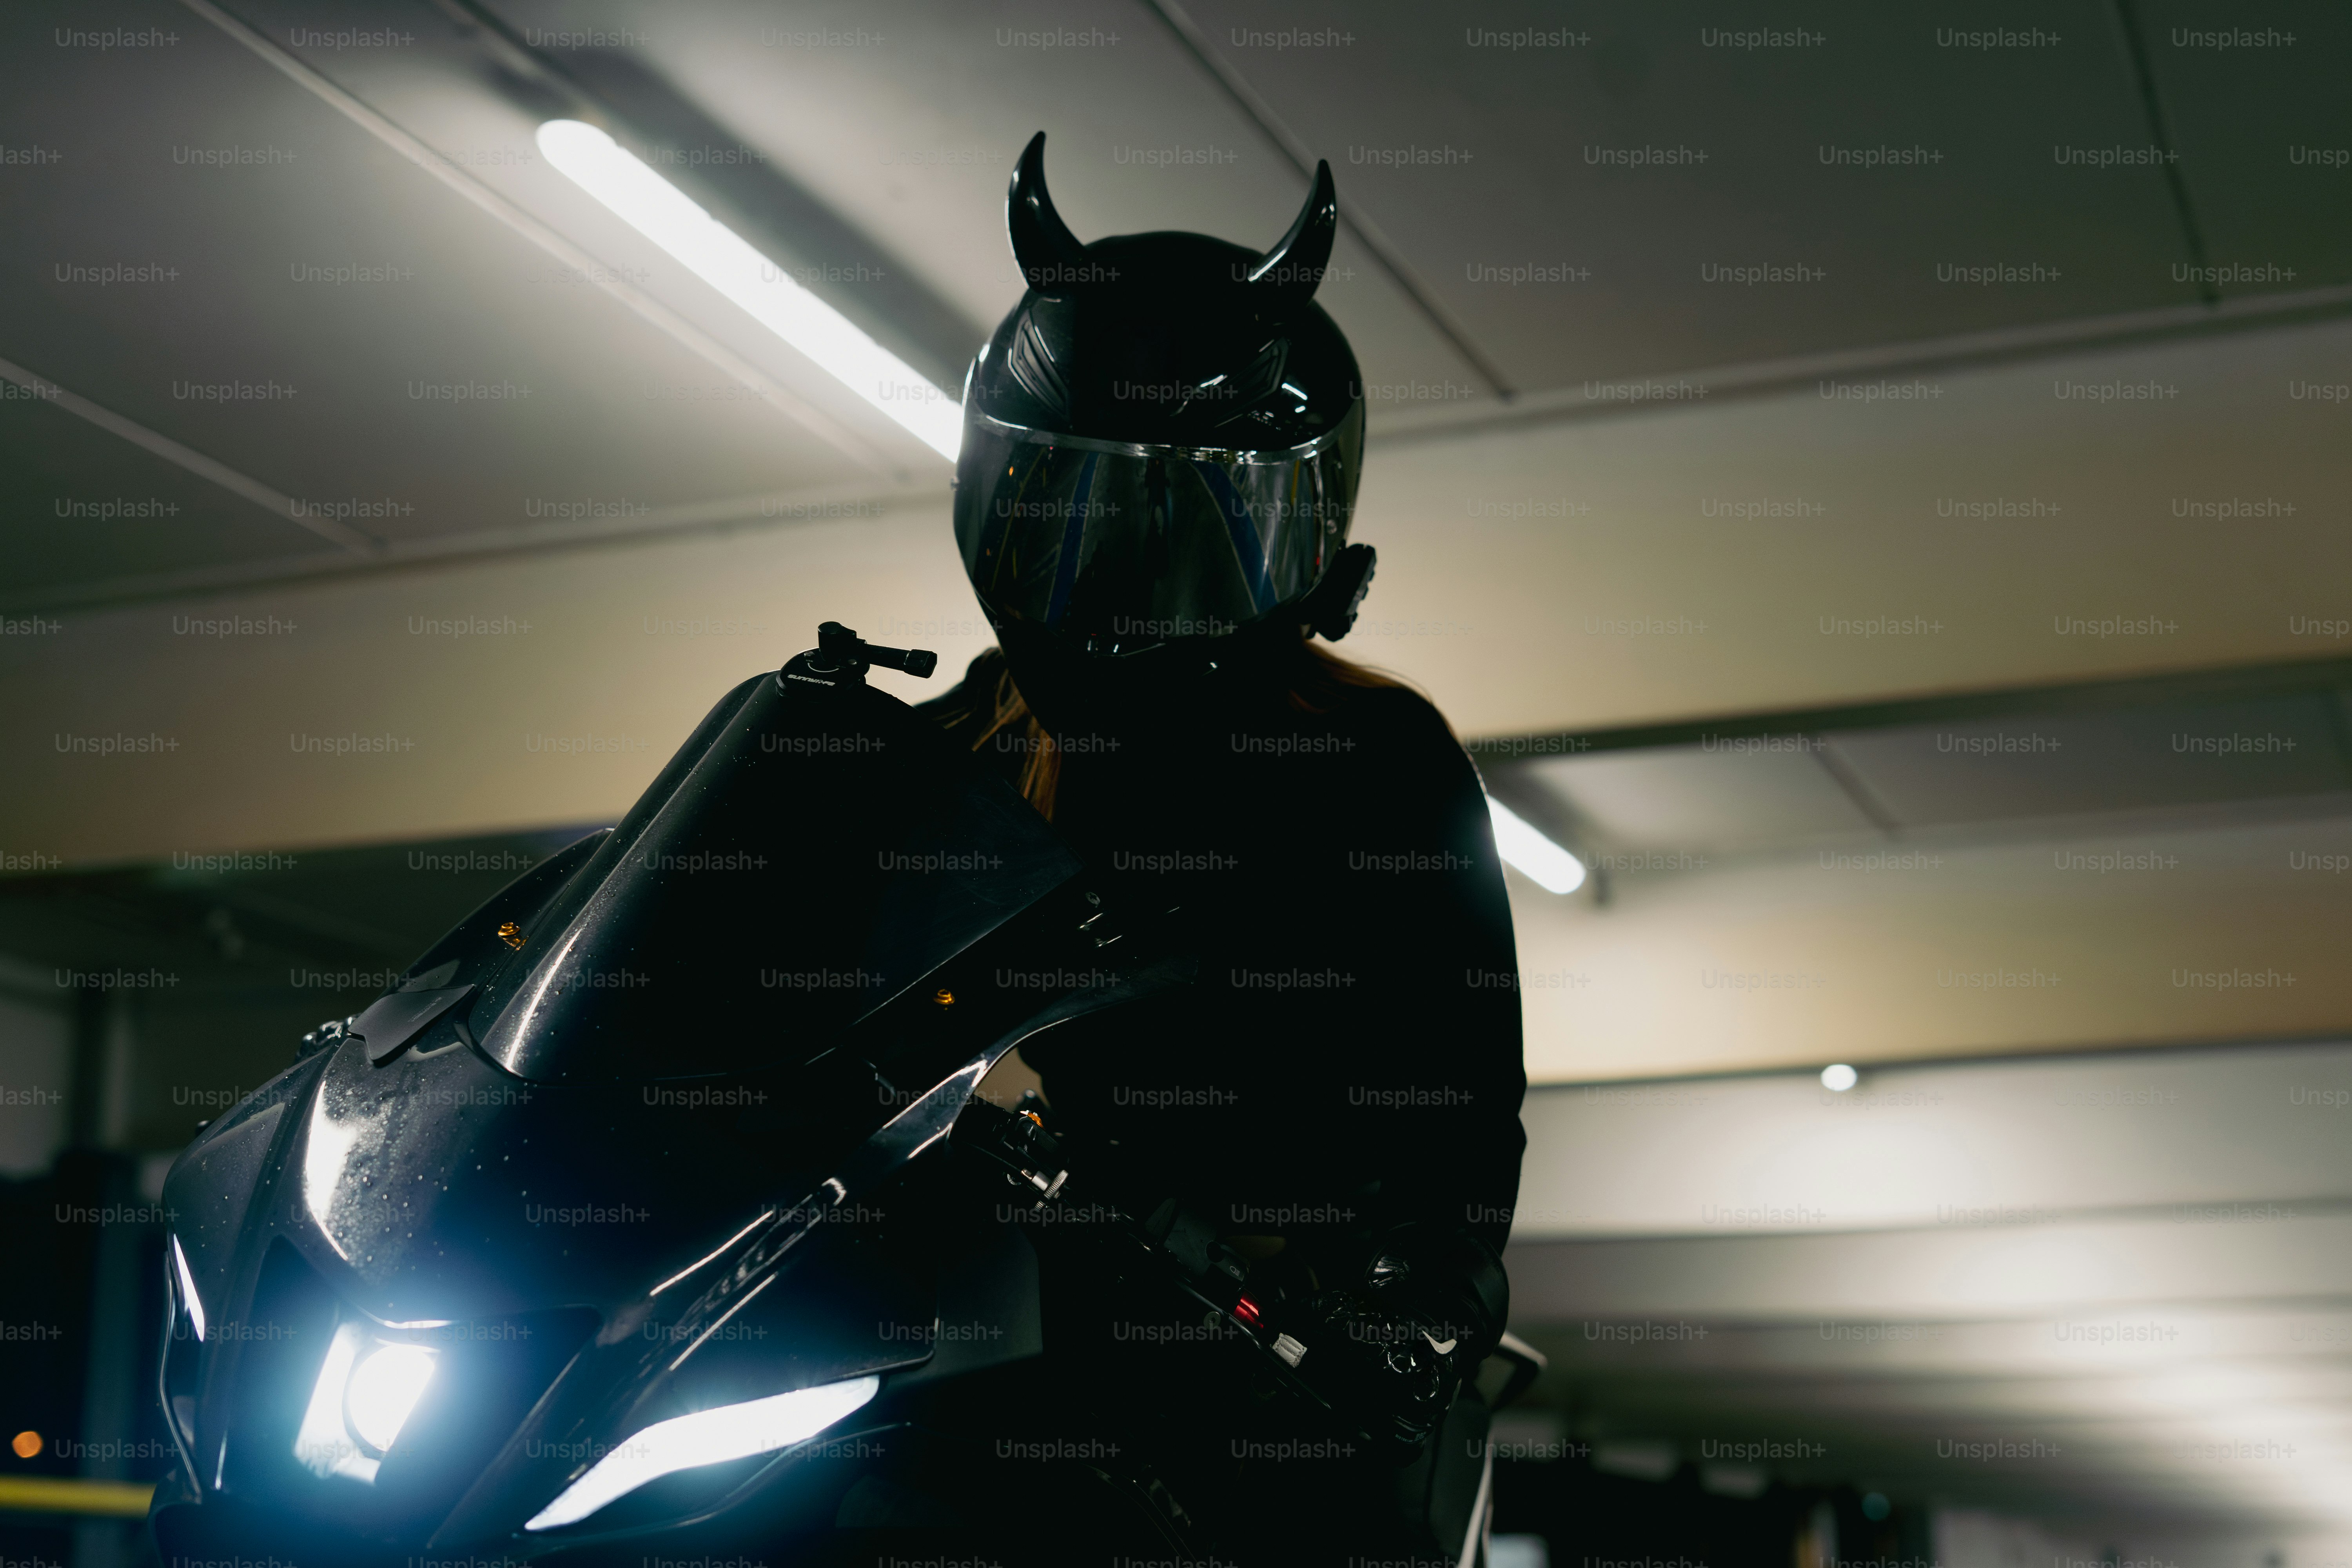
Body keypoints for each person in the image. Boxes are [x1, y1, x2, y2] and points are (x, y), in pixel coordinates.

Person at [915, 135, 1528, 1563]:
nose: (1117, 591)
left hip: (1243, 1355)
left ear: (1307, 542)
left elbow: (1457, 1093)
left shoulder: (1371, 753)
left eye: (1184, 532)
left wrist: (1400, 1292)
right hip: (947, 1327)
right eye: (1068, 516)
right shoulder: (938, 753)